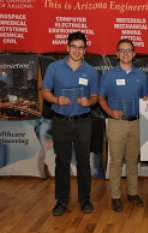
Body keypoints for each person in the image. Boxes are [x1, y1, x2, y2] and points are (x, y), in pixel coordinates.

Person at [41, 31, 98, 216]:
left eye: (81, 47)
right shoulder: (54, 68)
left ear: (85, 50)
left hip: (83, 122)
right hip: (61, 122)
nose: (77, 50)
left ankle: (85, 199)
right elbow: (45, 91)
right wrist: (56, 100)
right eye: (74, 46)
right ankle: (61, 200)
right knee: (62, 162)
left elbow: (95, 96)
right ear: (67, 48)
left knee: (83, 162)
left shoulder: (91, 71)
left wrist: (89, 102)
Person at [98, 39, 148, 212]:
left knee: (133, 160)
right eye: (122, 50)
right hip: (116, 123)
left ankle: (133, 193)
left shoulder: (141, 76)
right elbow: (101, 98)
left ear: (134, 54)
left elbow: (144, 98)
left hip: (136, 123)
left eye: (129, 50)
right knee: (116, 161)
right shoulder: (109, 75)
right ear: (117, 54)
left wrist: (146, 101)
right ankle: (115, 196)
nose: (126, 53)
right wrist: (109, 112)